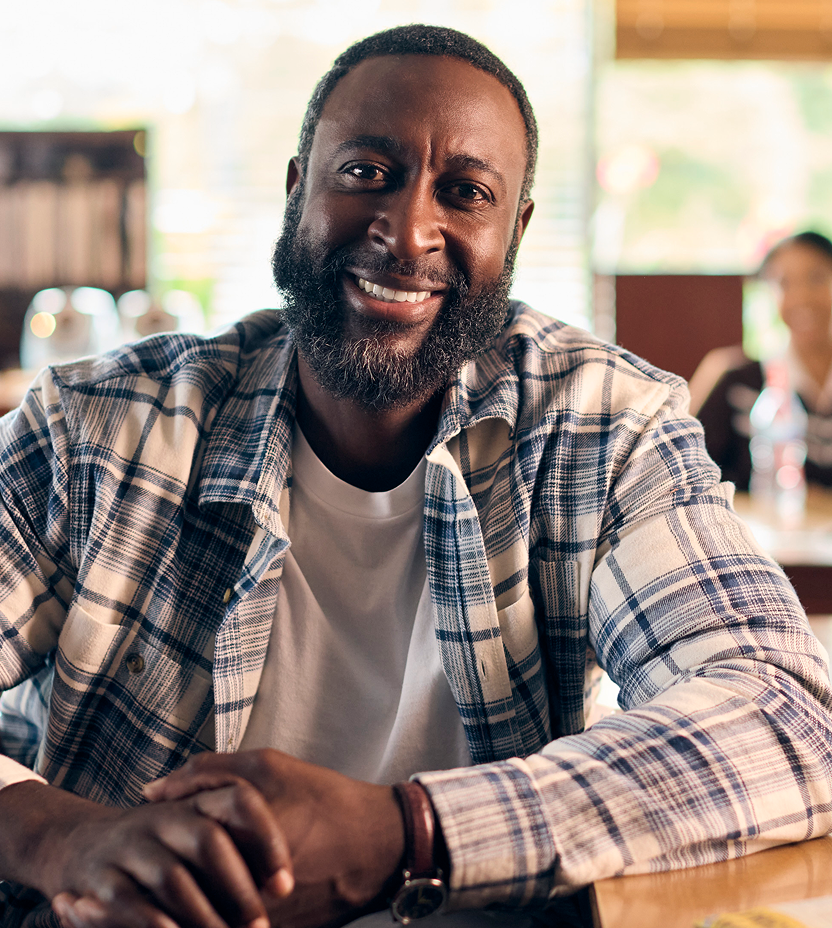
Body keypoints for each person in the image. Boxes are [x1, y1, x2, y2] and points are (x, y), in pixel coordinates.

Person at [0, 23, 831, 928]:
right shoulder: (99, 430)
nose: (407, 231)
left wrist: (406, 834)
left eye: (464, 192)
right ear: (295, 194)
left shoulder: (601, 426)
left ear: (513, 232)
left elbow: (786, 716)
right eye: (365, 173)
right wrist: (60, 837)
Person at [696, 230, 832, 489]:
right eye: (784, 284)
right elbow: (688, 479)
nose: (802, 297)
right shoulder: (738, 384)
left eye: (816, 278)